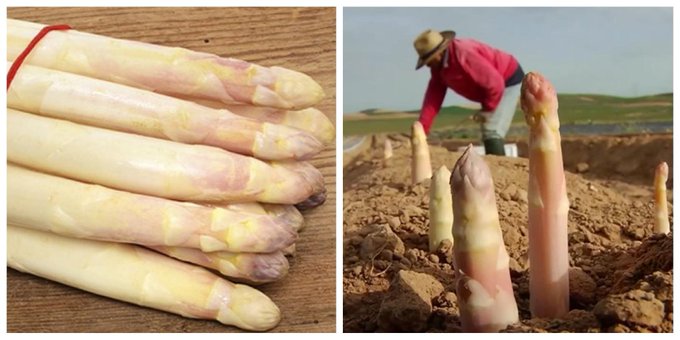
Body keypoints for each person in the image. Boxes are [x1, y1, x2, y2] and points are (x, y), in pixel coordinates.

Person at [413, 29, 524, 156]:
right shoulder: (438, 69)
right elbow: (433, 98)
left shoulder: (464, 54)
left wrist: (487, 109)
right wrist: (422, 128)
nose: (428, 66)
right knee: (488, 128)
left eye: (429, 61)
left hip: (507, 80)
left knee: (492, 131)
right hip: (490, 89)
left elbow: (495, 83)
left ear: (439, 53)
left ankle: (501, 169)